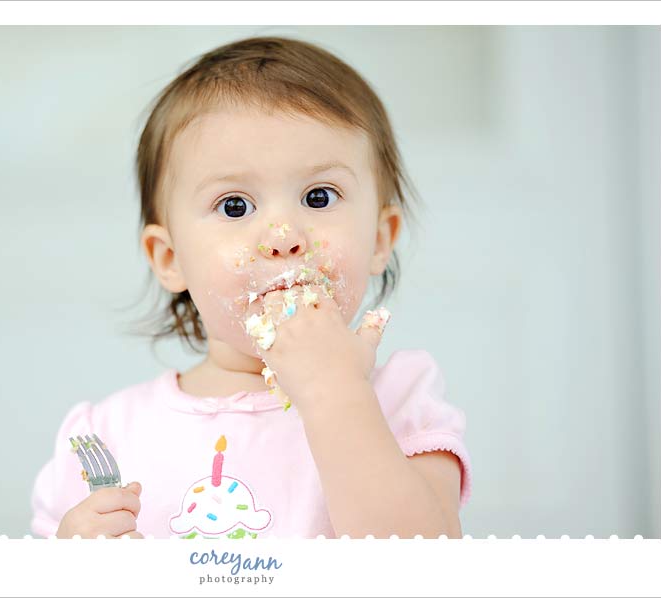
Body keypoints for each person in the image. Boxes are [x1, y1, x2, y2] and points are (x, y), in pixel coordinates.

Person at [30, 36, 472, 540]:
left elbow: (423, 567)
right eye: (235, 205)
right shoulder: (105, 440)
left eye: (319, 197)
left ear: (379, 238)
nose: (283, 237)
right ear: (170, 259)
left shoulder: (400, 402)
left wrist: (335, 391)